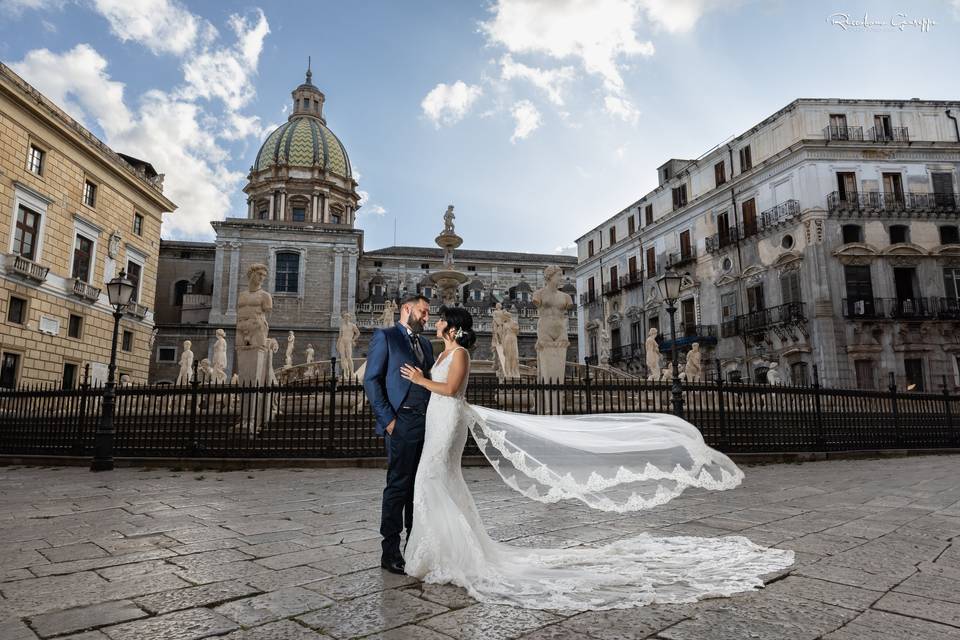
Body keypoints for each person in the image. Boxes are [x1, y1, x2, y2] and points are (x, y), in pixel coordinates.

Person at [396, 306, 794, 611]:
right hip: (437, 419)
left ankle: (447, 555)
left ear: (451, 327)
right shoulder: (444, 350)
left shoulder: (461, 353)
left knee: (433, 477)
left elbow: (449, 389)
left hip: (447, 420)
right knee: (435, 481)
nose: (435, 323)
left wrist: (419, 380)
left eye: (440, 320)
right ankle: (438, 552)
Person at [363, 295, 436, 575]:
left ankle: (413, 547)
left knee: (419, 487)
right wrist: (388, 420)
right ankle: (390, 550)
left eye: (428, 313)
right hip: (401, 420)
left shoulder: (426, 344)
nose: (426, 317)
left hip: (425, 423)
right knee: (398, 486)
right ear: (407, 309)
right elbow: (371, 380)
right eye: (423, 311)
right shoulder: (386, 337)